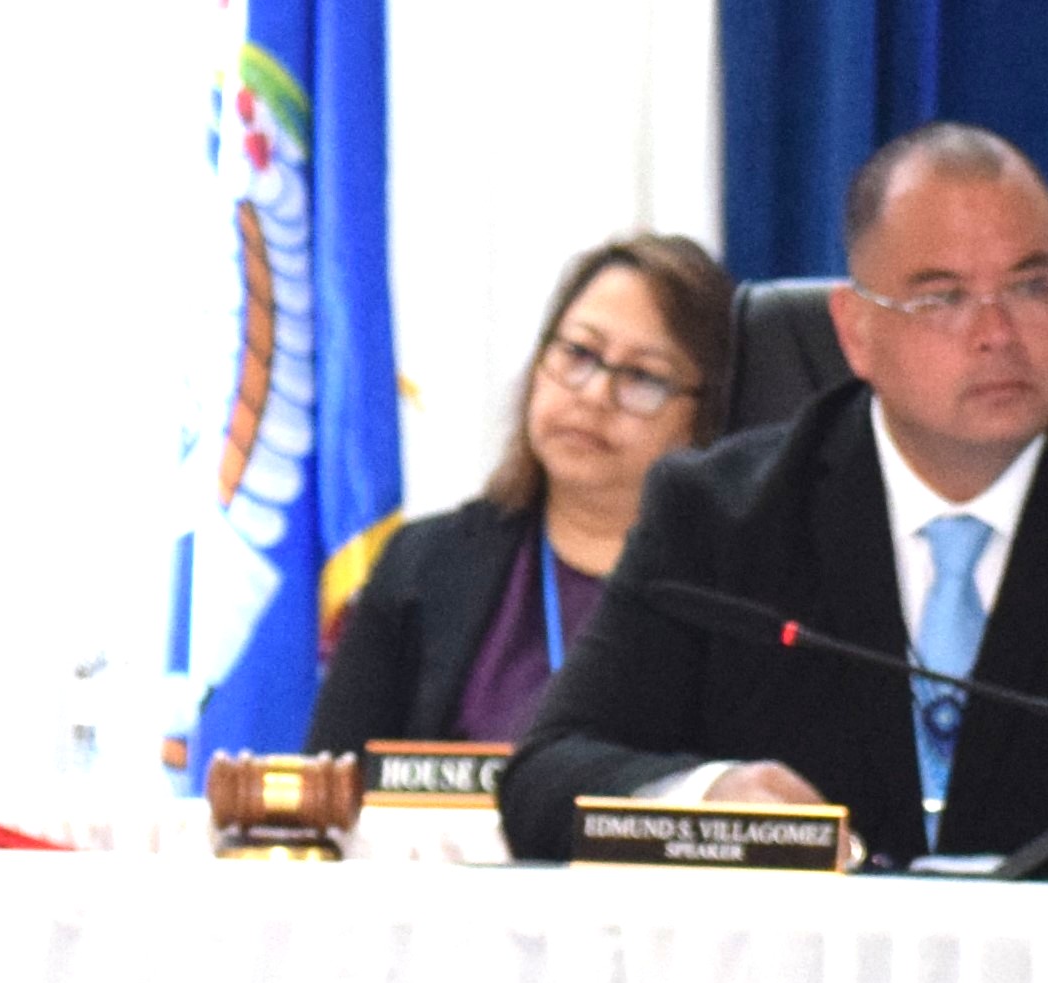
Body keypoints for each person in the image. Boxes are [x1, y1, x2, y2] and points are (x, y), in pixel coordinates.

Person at [502, 124, 1048, 878]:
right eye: (942, 296)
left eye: (1035, 284)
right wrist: (709, 795)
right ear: (856, 329)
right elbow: (544, 778)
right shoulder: (721, 518)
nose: (998, 330)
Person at [311, 235, 736, 752]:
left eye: (643, 377)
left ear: (704, 419)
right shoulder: (423, 567)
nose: (595, 395)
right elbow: (334, 786)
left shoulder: (740, 599)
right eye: (579, 353)